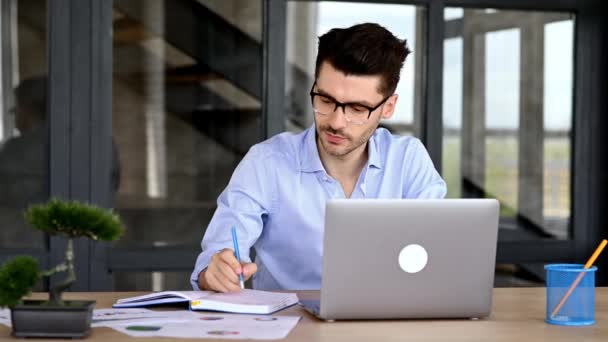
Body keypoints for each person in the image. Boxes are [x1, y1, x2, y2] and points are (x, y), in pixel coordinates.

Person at [191, 23, 447, 292]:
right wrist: (216, 272)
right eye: (325, 100)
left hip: (384, 326)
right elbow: (215, 260)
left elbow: (438, 255)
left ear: (388, 107)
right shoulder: (266, 162)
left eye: (357, 108)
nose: (336, 122)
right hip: (289, 326)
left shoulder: (407, 160)